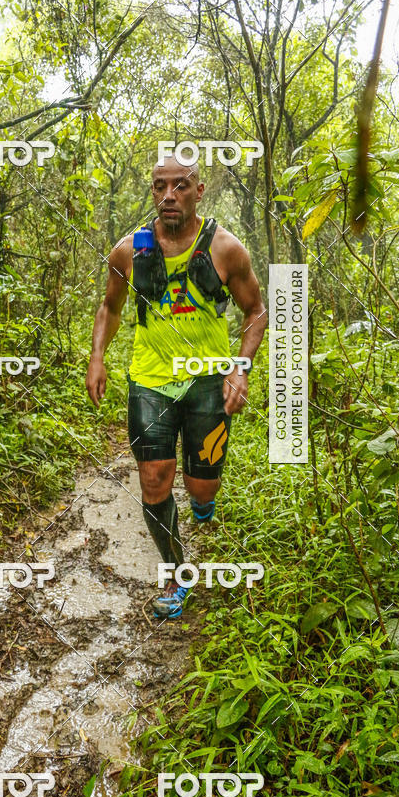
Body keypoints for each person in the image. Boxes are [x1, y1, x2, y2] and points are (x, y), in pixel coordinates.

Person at [85, 152, 267, 618]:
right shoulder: (129, 251)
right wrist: (98, 357)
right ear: (152, 191)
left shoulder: (226, 249)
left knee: (201, 488)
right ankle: (174, 571)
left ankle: (202, 505)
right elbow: (110, 307)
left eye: (181, 185)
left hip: (208, 381)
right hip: (150, 381)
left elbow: (256, 312)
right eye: (160, 186)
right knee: (153, 480)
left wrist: (240, 369)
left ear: (199, 191)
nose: (169, 195)